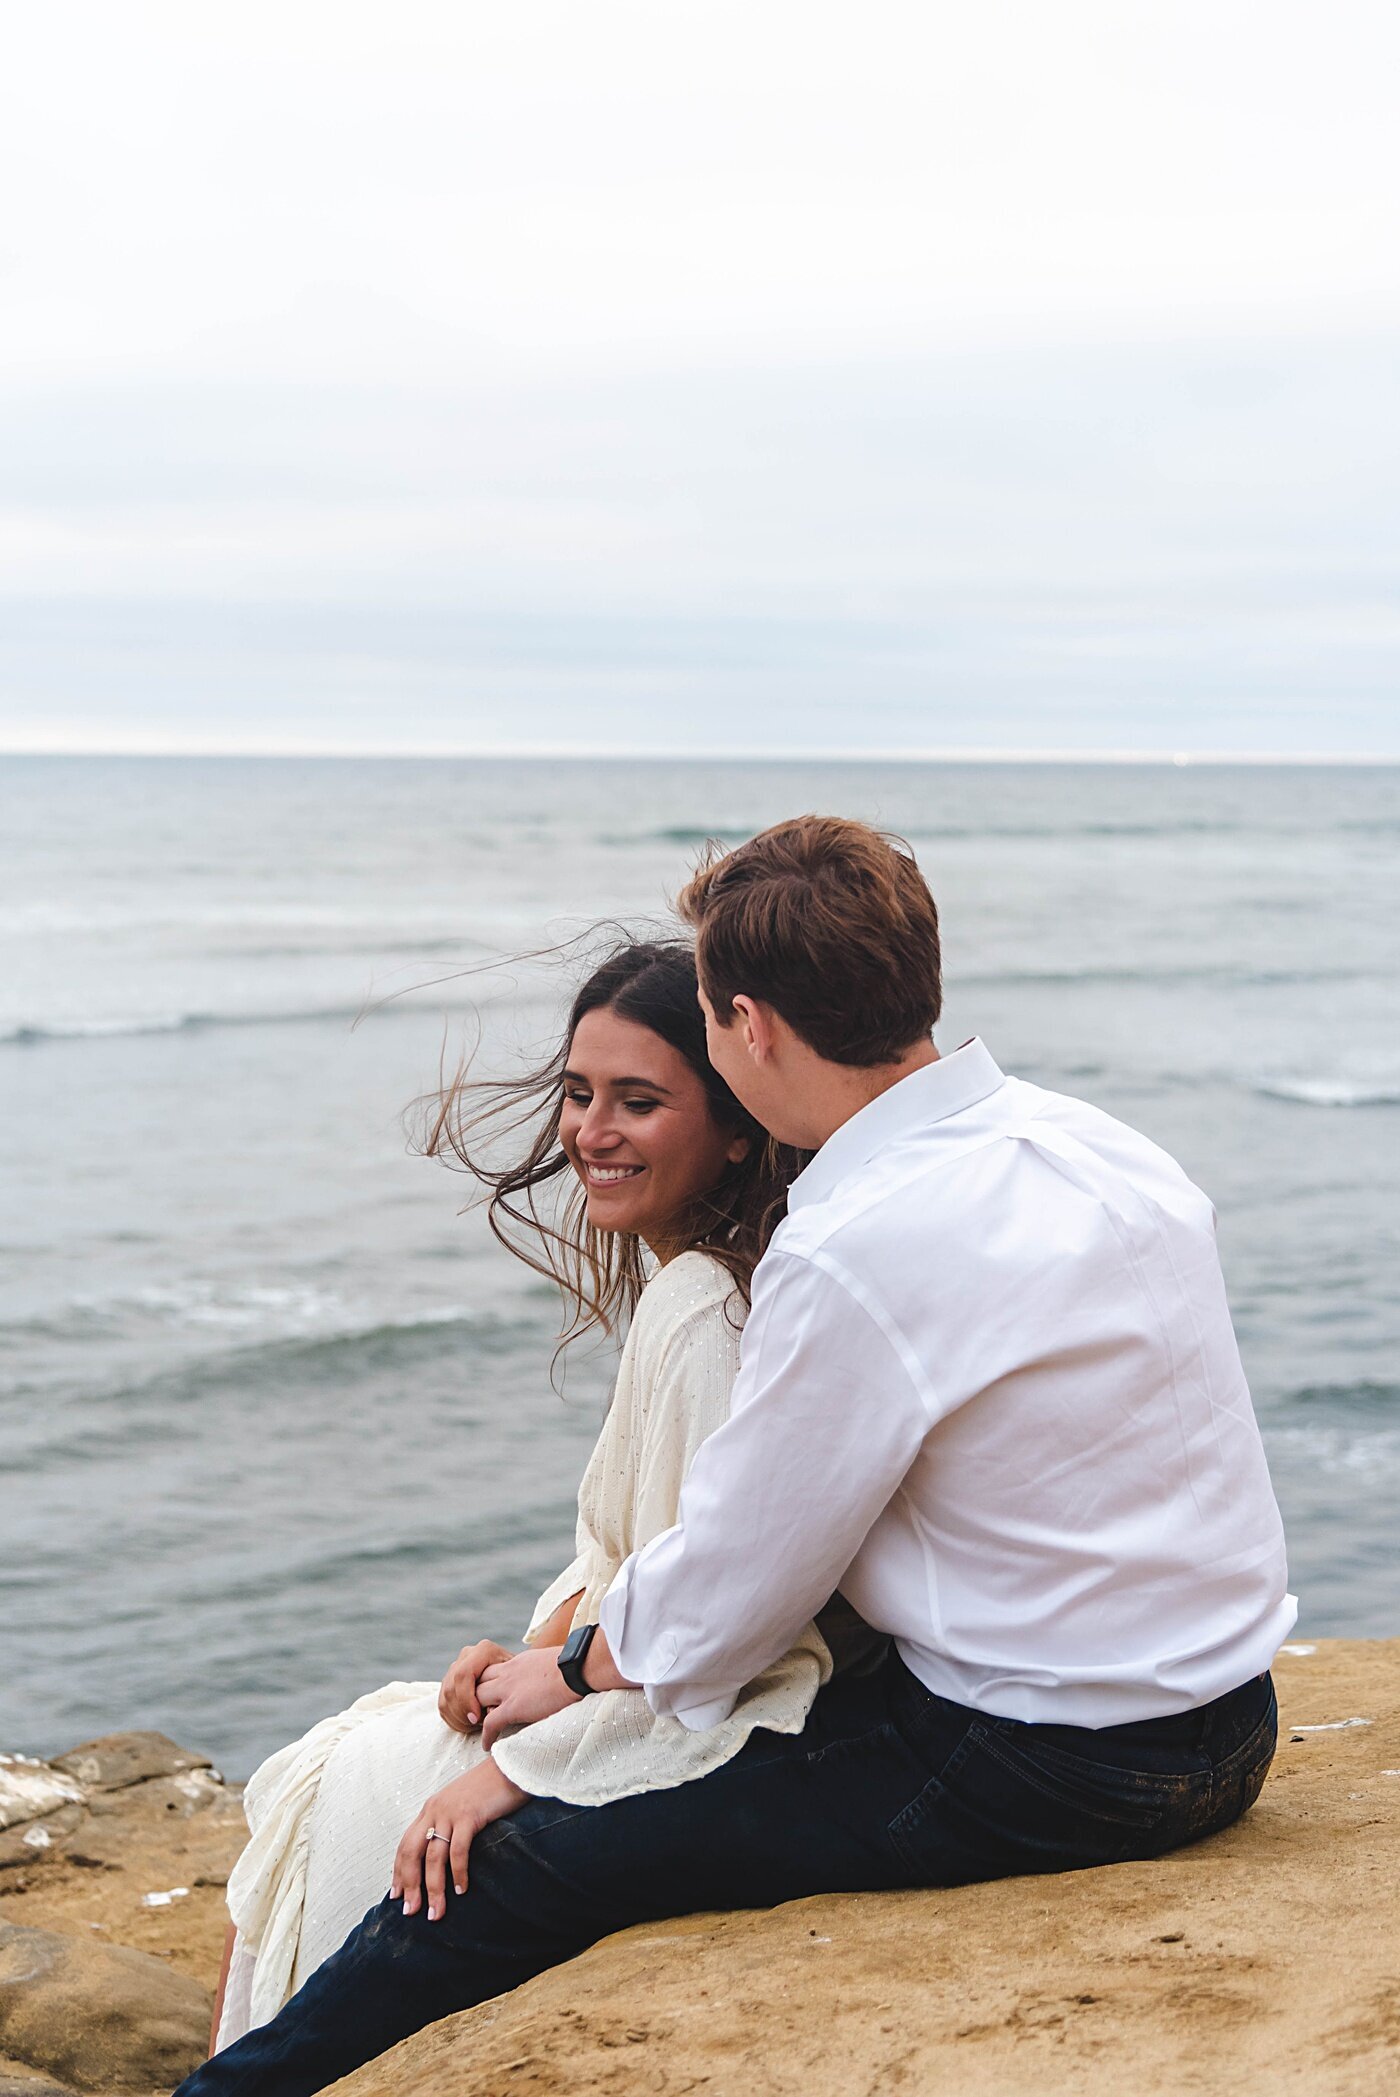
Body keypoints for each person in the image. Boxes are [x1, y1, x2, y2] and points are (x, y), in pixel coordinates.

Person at [179, 816, 1294, 2097]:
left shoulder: (855, 1243)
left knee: (529, 1859)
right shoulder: (1096, 1146)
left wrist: (569, 1676)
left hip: (1053, 1762)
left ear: (747, 1025)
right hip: (1228, 1719)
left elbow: (730, 1595)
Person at [210, 938, 846, 2047]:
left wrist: (517, 1756)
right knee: (349, 1753)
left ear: (739, 1126)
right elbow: (640, 1559)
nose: (589, 1132)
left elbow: (723, 1629)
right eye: (577, 1092)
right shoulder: (706, 1281)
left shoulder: (703, 1310)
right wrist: (530, 1651)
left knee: (328, 1780)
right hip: (606, 1670)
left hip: (686, 1718)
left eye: (637, 1102)